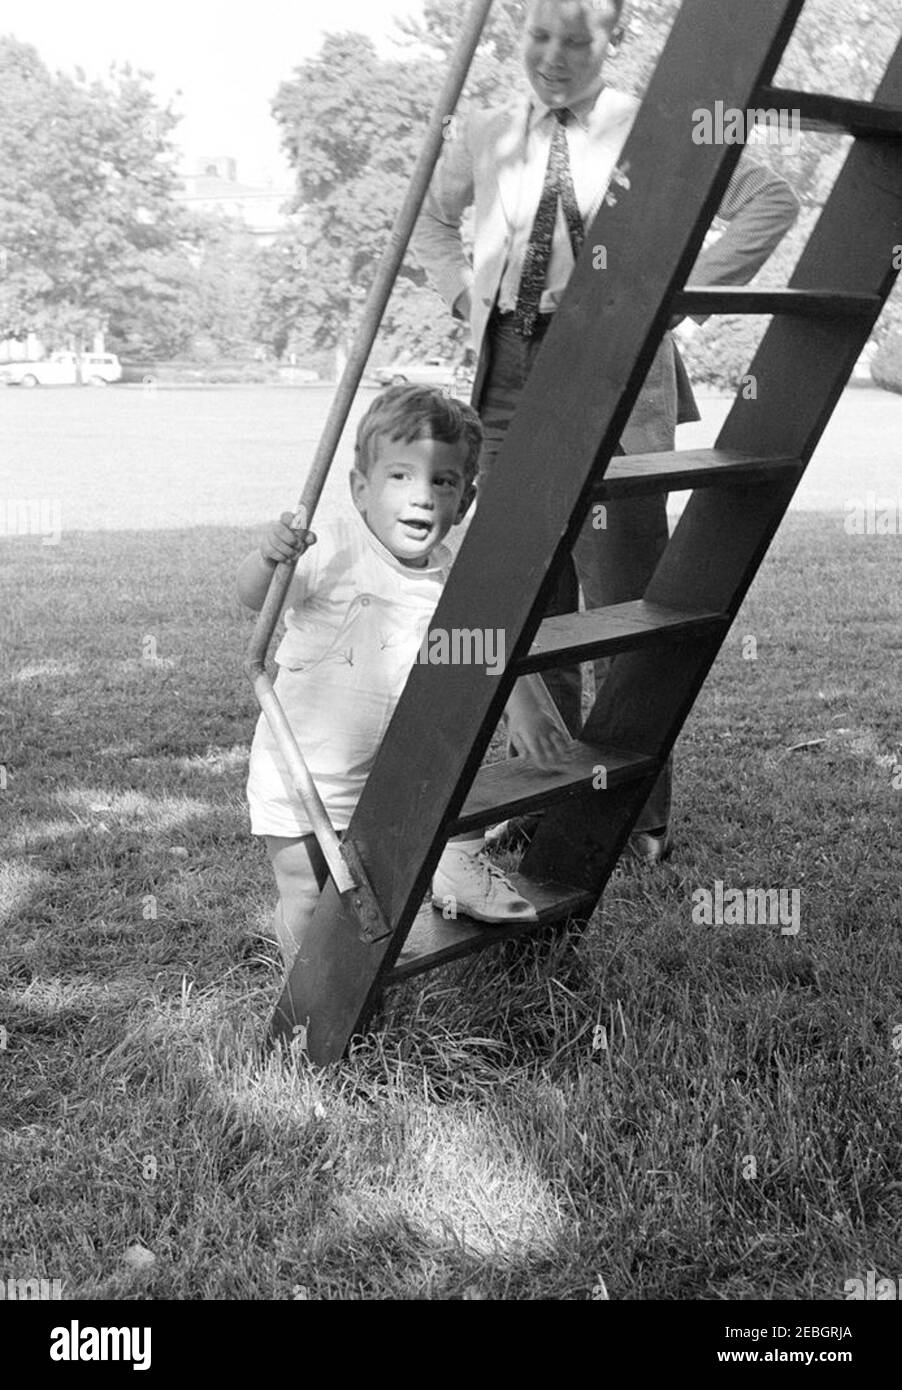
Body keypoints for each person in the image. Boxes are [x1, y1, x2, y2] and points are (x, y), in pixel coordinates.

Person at [413, 0, 801, 863]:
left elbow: (770, 201)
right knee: (527, 593)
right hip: (510, 376)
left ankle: (636, 809)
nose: (552, 56)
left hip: (615, 372)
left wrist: (670, 301)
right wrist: (461, 295)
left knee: (626, 595)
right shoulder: (486, 131)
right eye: (538, 36)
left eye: (576, 39)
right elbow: (434, 227)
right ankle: (542, 793)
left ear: (613, 40)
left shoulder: (653, 125)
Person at [238, 384, 572, 968]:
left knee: (445, 807)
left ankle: (456, 863)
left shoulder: (454, 578)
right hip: (302, 769)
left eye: (442, 482)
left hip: (397, 771)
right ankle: (303, 998)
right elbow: (253, 602)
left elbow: (488, 642)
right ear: (359, 488)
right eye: (399, 477)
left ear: (464, 501)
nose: (420, 497)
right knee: (306, 891)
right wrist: (270, 558)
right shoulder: (331, 547)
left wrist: (527, 705)